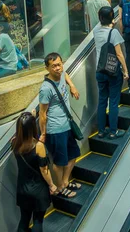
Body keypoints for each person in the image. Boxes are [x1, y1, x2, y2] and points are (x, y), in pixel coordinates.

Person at [38, 52, 80, 199]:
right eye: (53, 66)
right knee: (59, 161)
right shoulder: (45, 89)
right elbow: (42, 114)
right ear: (47, 68)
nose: (58, 68)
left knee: (74, 154)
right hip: (55, 129)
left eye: (59, 64)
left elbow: (66, 74)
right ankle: (61, 187)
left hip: (67, 125)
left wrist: (72, 86)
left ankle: (65, 181)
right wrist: (43, 133)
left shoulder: (62, 73)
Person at [12, 112, 57, 232]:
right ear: (33, 127)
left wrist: (29, 117)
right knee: (38, 220)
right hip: (38, 190)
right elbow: (44, 170)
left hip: (22, 188)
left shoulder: (14, 142)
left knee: (24, 219)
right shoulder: (38, 146)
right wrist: (52, 185)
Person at [94, 6, 129, 139]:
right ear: (112, 18)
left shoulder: (96, 31)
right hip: (113, 72)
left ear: (100, 18)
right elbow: (119, 54)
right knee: (113, 102)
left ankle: (101, 131)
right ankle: (113, 131)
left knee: (102, 101)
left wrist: (109, 21)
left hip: (100, 71)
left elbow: (102, 23)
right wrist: (125, 71)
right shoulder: (114, 33)